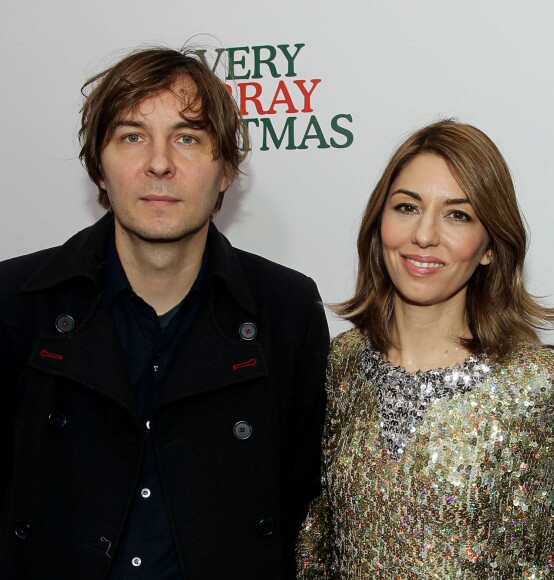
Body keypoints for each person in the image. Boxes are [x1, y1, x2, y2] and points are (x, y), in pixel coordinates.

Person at [0, 46, 329, 579]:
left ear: (225, 171)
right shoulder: (16, 302)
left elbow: (302, 509)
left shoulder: (285, 310)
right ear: (99, 169)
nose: (159, 163)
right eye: (132, 136)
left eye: (188, 138)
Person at [296, 119, 554, 578]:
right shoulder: (341, 364)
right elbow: (315, 544)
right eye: (407, 207)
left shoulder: (537, 386)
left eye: (458, 215)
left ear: (489, 246)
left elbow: (550, 563)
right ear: (379, 223)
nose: (424, 235)